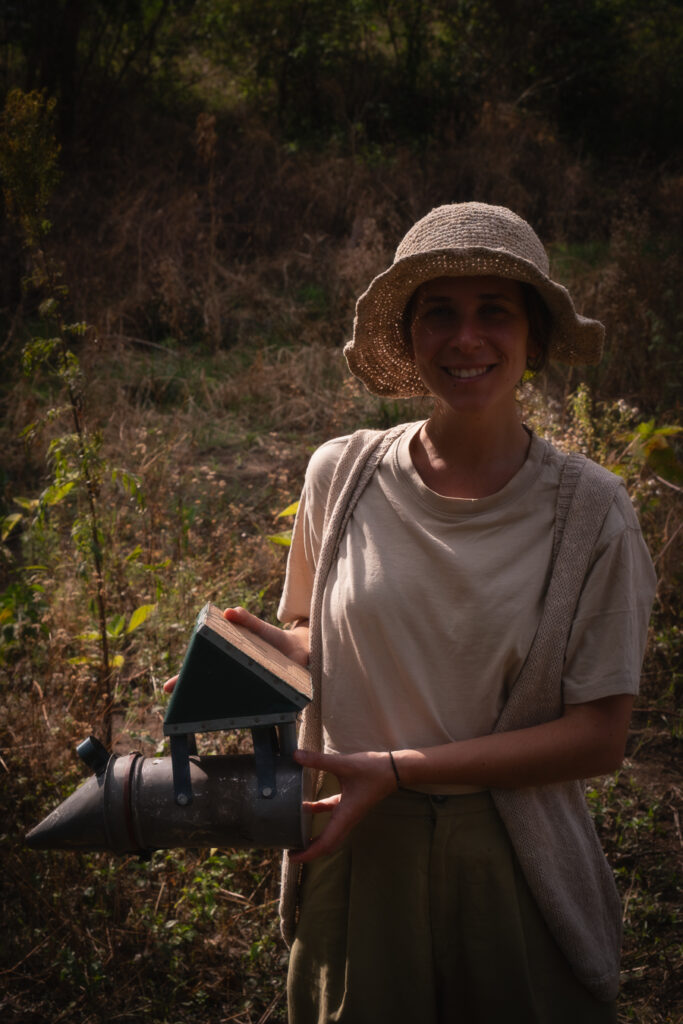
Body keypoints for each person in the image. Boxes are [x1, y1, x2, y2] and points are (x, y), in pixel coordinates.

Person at [168, 202, 657, 1023]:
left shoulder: (590, 513)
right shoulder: (344, 473)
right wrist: (265, 654)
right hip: (359, 851)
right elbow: (327, 645)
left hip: (511, 856)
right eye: (440, 313)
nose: (466, 338)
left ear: (532, 336)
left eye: (493, 312)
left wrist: (396, 770)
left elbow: (598, 736)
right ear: (410, 336)